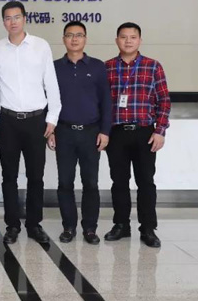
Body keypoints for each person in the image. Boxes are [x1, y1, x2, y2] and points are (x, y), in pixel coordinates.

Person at [0, 1, 61, 245]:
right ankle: (12, 225)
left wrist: (52, 118)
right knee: (9, 176)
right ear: (3, 22)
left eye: (17, 17)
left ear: (24, 18)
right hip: (7, 121)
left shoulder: (41, 46)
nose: (13, 22)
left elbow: (51, 83)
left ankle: (34, 224)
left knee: (36, 176)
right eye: (8, 18)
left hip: (36, 120)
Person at [104, 22, 171, 248]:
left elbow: (164, 101)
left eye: (133, 37)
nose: (128, 41)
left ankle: (148, 228)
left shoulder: (153, 66)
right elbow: (100, 103)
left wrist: (160, 131)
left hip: (145, 132)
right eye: (123, 37)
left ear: (140, 40)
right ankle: (121, 224)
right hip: (116, 133)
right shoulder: (107, 67)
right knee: (119, 182)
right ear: (117, 40)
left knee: (146, 182)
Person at [50, 21, 112, 244]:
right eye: (70, 35)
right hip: (63, 132)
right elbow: (48, 100)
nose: (74, 39)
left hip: (91, 133)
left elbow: (106, 101)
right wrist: (50, 130)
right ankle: (68, 227)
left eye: (79, 35)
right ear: (63, 39)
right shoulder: (54, 67)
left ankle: (90, 228)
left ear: (85, 39)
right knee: (65, 183)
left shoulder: (97, 67)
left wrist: (105, 131)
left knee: (90, 183)